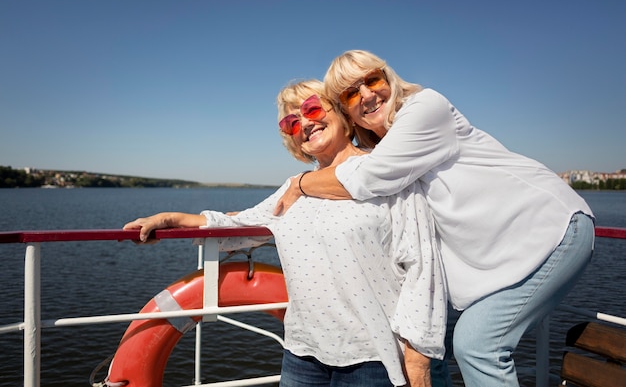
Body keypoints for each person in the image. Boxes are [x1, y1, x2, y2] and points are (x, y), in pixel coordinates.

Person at [273, 50, 595, 387]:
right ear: (348, 111)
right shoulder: (385, 143)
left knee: (477, 345)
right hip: (509, 252)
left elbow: (368, 177)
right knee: (454, 342)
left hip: (555, 228)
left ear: (388, 77)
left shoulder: (426, 108)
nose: (366, 94)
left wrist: (300, 183)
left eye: (372, 80)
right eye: (352, 93)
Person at [123, 79, 447, 387]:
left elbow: (422, 264)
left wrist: (418, 359)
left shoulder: (387, 171)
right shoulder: (293, 189)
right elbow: (240, 226)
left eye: (312, 110)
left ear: (342, 114)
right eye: (291, 123)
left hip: (375, 356)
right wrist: (170, 218)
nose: (304, 124)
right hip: (302, 355)